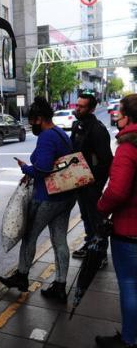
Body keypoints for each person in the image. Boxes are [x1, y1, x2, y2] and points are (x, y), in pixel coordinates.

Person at [0, 97, 76, 303]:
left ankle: (22, 277)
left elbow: (42, 169)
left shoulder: (46, 137)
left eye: (33, 121)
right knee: (59, 240)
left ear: (40, 119)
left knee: (29, 236)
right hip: (66, 195)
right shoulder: (60, 133)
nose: (31, 125)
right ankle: (60, 285)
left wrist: (26, 168)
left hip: (48, 198)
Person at [95, 94, 137, 348]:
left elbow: (118, 191)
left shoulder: (128, 147)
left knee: (130, 285)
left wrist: (101, 207)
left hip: (130, 231)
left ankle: (129, 339)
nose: (116, 116)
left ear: (129, 117)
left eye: (119, 112)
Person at [71, 93, 113, 262]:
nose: (77, 109)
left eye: (82, 107)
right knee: (85, 216)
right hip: (78, 181)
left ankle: (100, 252)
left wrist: (93, 182)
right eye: (77, 105)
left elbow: (106, 161)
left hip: (92, 183)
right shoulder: (77, 125)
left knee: (96, 217)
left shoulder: (98, 130)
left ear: (91, 109)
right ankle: (90, 243)